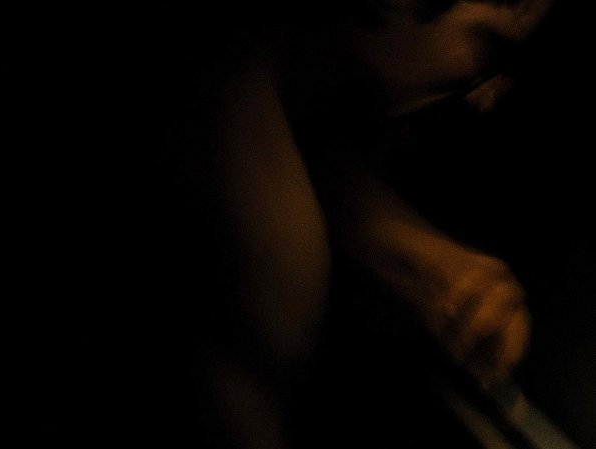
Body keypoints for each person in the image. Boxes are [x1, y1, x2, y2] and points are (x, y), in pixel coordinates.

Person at [149, 1, 558, 447]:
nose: (485, 97)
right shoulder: (264, 234)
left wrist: (405, 254)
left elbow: (315, 136)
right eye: (487, 47)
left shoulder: (248, 76)